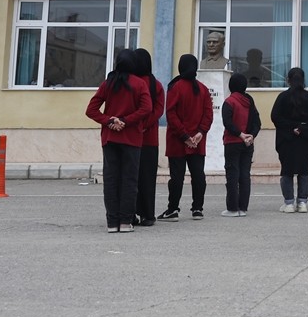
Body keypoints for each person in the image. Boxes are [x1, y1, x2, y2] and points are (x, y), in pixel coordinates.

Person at [85, 49, 151, 233]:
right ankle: (125, 221)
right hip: (132, 138)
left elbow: (91, 110)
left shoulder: (108, 83)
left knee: (111, 179)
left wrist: (109, 120)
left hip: (110, 137)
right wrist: (126, 121)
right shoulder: (139, 84)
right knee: (129, 180)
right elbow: (147, 108)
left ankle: (112, 223)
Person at [161, 54, 213, 220]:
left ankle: (173, 209)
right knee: (198, 175)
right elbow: (208, 114)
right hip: (198, 141)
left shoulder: (175, 87)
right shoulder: (203, 89)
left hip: (178, 140)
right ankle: (197, 209)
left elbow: (171, 114)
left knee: (177, 177)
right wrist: (200, 133)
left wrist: (184, 135)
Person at [270, 67, 308, 213]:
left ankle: (289, 203)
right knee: (304, 171)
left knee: (287, 171)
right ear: (304, 80)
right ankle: (302, 203)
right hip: (305, 140)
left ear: (288, 80)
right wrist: (302, 128)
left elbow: (275, 117)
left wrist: (291, 127)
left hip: (287, 140)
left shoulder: (282, 97)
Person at [132, 48, 166, 227]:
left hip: (132, 137)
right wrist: (146, 125)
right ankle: (148, 215)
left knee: (131, 178)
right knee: (148, 179)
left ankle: (131, 214)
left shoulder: (132, 82)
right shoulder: (156, 84)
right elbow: (159, 110)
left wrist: (137, 125)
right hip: (150, 139)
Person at [221, 72, 260, 218]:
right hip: (248, 143)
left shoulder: (229, 101)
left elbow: (227, 123)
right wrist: (251, 135)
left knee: (232, 175)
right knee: (245, 175)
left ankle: (232, 208)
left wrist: (240, 134)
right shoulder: (249, 101)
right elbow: (257, 122)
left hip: (232, 142)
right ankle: (243, 208)